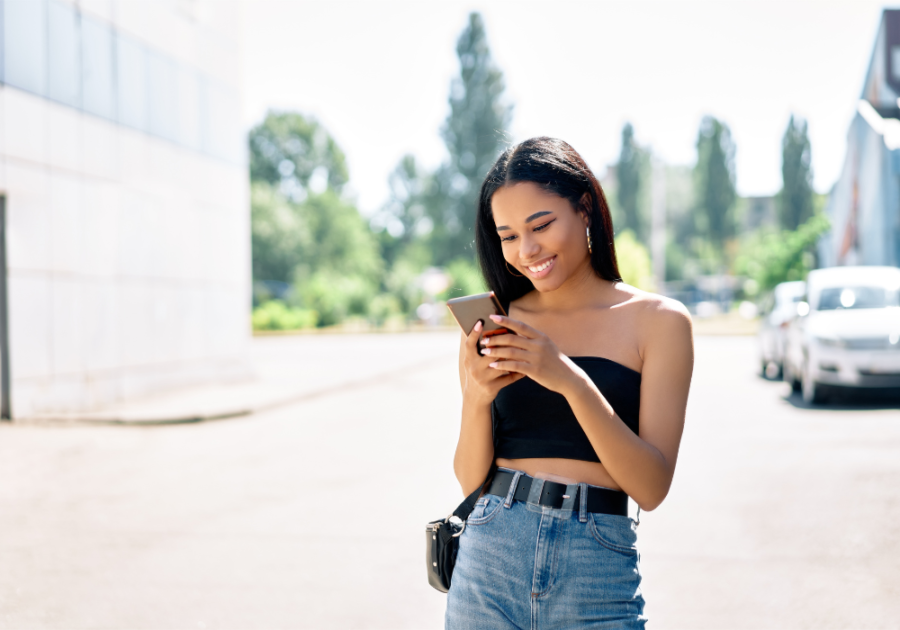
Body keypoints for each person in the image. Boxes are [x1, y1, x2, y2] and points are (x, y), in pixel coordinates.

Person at [446, 137, 693, 629]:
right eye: (508, 236)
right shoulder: (499, 322)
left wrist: (569, 380)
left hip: (596, 566)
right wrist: (477, 397)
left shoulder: (659, 322)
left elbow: (651, 487)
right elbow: (470, 481)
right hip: (490, 556)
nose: (527, 250)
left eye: (540, 225)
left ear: (584, 209)